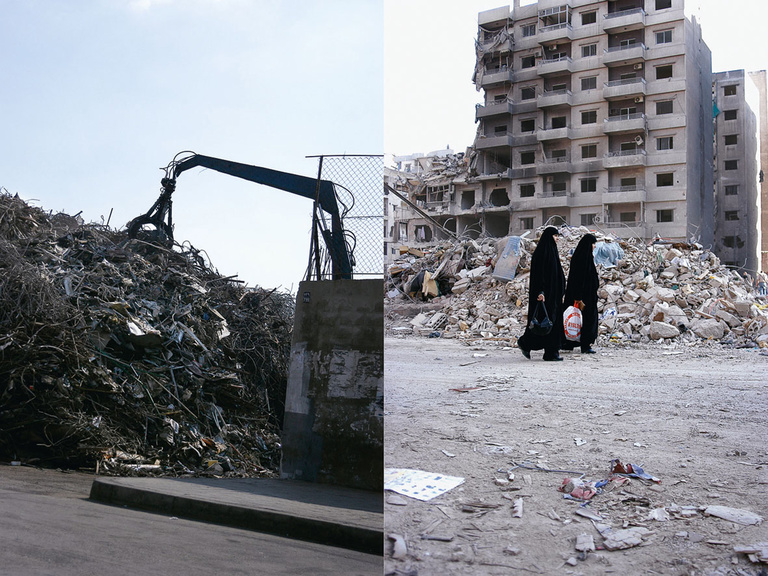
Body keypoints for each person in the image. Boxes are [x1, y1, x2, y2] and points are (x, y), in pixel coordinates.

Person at [517, 226, 566, 361]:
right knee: (545, 322)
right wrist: (541, 291)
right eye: (555, 236)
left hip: (554, 295)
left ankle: (550, 352)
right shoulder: (541, 253)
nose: (557, 239)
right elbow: (539, 275)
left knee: (551, 323)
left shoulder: (552, 251)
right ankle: (529, 344)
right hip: (545, 295)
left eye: (557, 236)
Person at [561, 233, 599, 354]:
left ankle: (571, 343)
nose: (594, 246)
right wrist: (578, 298)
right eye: (593, 244)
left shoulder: (585, 257)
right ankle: (585, 344)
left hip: (586, 296)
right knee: (584, 320)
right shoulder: (582, 258)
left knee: (579, 320)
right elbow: (578, 279)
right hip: (582, 298)